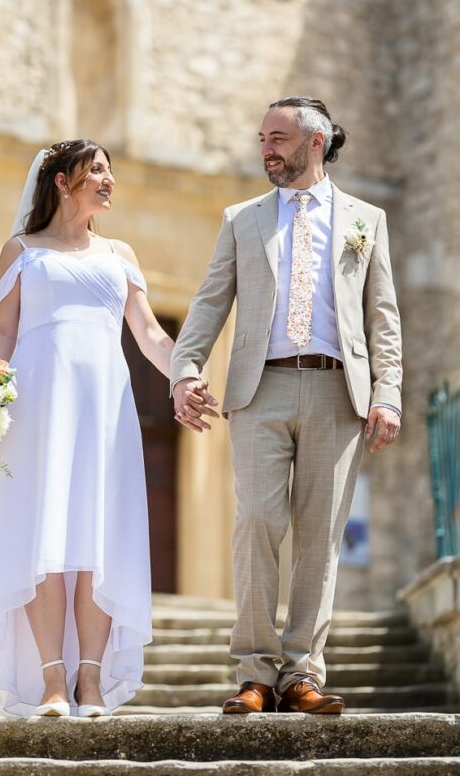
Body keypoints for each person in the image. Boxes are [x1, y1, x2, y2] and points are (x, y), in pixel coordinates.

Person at [171, 97, 402, 715]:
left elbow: (382, 315)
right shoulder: (242, 219)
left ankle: (302, 673)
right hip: (259, 389)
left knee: (320, 538)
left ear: (316, 142)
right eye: (263, 138)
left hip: (338, 392)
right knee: (256, 524)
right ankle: (254, 672)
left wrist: (389, 395)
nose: (266, 148)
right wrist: (185, 369)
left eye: (278, 137)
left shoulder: (365, 220)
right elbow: (209, 301)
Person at [0, 139, 207, 719]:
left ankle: (91, 681)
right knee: (44, 534)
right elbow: (2, 332)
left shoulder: (120, 253)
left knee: (99, 536)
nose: (108, 179)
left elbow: (149, 333)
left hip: (105, 405)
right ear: (62, 182)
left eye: (109, 170)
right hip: (37, 404)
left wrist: (185, 376)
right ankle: (51, 680)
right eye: (95, 170)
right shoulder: (21, 250)